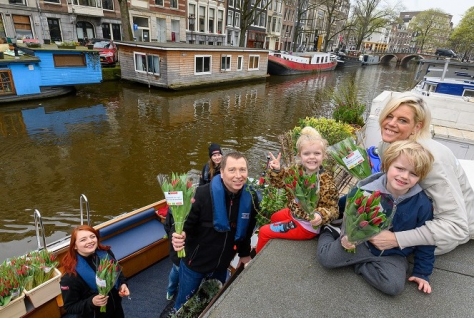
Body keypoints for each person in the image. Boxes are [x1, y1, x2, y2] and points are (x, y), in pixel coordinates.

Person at [317, 140, 436, 295]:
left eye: (413, 173)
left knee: (393, 287)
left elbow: (426, 239)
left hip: (393, 253)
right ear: (387, 165)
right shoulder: (366, 190)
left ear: (420, 177)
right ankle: (329, 231)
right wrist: (340, 230)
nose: (404, 176)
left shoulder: (422, 204)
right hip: (360, 242)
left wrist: (422, 273)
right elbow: (346, 209)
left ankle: (358, 263)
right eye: (399, 168)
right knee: (327, 260)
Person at [370, 93, 474, 255]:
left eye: (403, 120)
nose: (391, 124)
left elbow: (457, 227)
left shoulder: (432, 160)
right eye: (389, 116)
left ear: (417, 127)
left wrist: (396, 239)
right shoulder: (388, 144)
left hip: (445, 234)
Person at [169, 151, 258, 313]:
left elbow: (246, 230)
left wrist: (245, 254)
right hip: (194, 265)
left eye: (242, 170)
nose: (238, 175)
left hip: (221, 266)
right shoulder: (201, 195)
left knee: (212, 302)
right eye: (232, 170)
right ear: (222, 172)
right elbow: (181, 226)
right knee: (183, 304)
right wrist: (177, 236)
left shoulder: (250, 199)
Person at [256, 126, 339, 253]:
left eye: (317, 153)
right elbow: (280, 183)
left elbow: (333, 209)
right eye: (307, 153)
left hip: (307, 225)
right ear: (300, 155)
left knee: (263, 232)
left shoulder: (326, 181)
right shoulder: (296, 170)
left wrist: (320, 215)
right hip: (294, 213)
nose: (312, 157)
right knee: (274, 217)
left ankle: (257, 263)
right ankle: (274, 246)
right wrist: (277, 170)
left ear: (323, 155)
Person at [60, 225, 130, 318]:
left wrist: (123, 284)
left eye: (92, 237)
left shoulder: (106, 253)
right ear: (75, 246)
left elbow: (118, 273)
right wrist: (91, 302)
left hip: (117, 310)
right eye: (83, 240)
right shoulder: (70, 276)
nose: (90, 241)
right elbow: (70, 307)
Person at [163, 207, 179, 301]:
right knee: (177, 268)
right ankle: (171, 291)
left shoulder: (172, 207)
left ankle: (170, 291)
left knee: (176, 268)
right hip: (179, 244)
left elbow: (167, 227)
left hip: (176, 243)